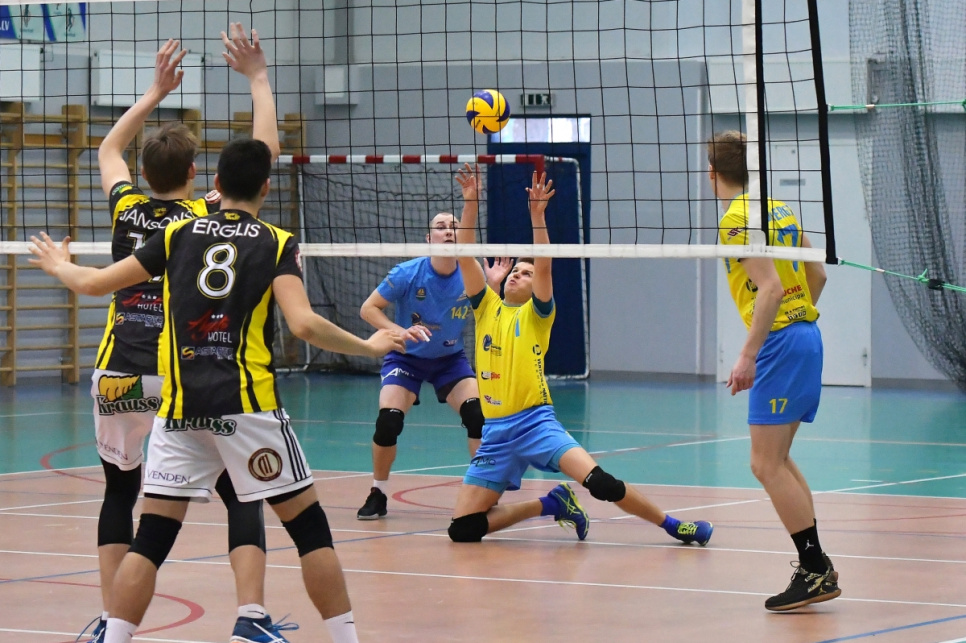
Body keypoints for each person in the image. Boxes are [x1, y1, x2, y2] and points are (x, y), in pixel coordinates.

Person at [29, 24, 404, 643]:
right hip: (241, 402)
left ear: (216, 185)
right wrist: (258, 79)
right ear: (239, 183)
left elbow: (94, 278)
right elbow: (302, 319)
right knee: (299, 523)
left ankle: (112, 633)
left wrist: (57, 265)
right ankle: (289, 624)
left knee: (145, 525)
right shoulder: (267, 239)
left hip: (161, 395)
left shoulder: (171, 231)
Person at [81, 36, 282, 643]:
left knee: (120, 491)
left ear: (143, 174)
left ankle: (113, 619)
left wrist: (154, 92)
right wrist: (258, 78)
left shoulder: (126, 208)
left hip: (118, 370)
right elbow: (262, 158)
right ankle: (252, 615)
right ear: (196, 175)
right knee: (240, 491)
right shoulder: (202, 218)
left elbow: (107, 148)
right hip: (178, 376)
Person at [445, 163, 714, 547]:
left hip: (536, 423)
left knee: (601, 484)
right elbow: (464, 254)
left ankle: (673, 525)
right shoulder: (486, 308)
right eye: (515, 271)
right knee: (463, 529)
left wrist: (537, 217)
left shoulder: (537, 316)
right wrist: (471, 203)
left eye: (526, 272)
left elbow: (545, 264)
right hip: (497, 433)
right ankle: (552, 503)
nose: (519, 274)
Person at [708, 130, 839, 611]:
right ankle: (817, 565)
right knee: (777, 459)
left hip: (782, 343)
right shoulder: (777, 208)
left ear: (712, 173)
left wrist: (748, 354)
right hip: (805, 335)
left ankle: (815, 568)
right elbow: (817, 273)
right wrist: (798, 321)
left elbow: (770, 289)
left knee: (764, 464)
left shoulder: (735, 220)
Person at [356, 210, 511, 520]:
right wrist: (400, 332)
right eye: (441, 227)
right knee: (388, 422)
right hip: (406, 357)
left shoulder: (471, 275)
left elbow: (490, 317)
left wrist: (494, 287)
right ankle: (378, 492)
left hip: (449, 360)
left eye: (454, 226)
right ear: (429, 239)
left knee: (478, 417)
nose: (448, 231)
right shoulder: (407, 273)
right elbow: (368, 309)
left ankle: (483, 490)